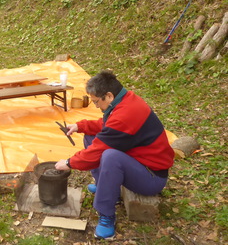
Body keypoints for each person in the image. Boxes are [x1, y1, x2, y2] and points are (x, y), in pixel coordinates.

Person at [55, 70, 174, 239]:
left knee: (110, 156)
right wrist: (80, 126)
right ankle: (105, 185)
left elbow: (97, 150)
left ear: (109, 96)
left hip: (152, 177)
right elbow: (107, 124)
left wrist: (68, 163)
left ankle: (106, 216)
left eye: (96, 102)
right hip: (140, 161)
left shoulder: (126, 113)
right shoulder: (125, 100)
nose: (96, 106)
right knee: (91, 137)